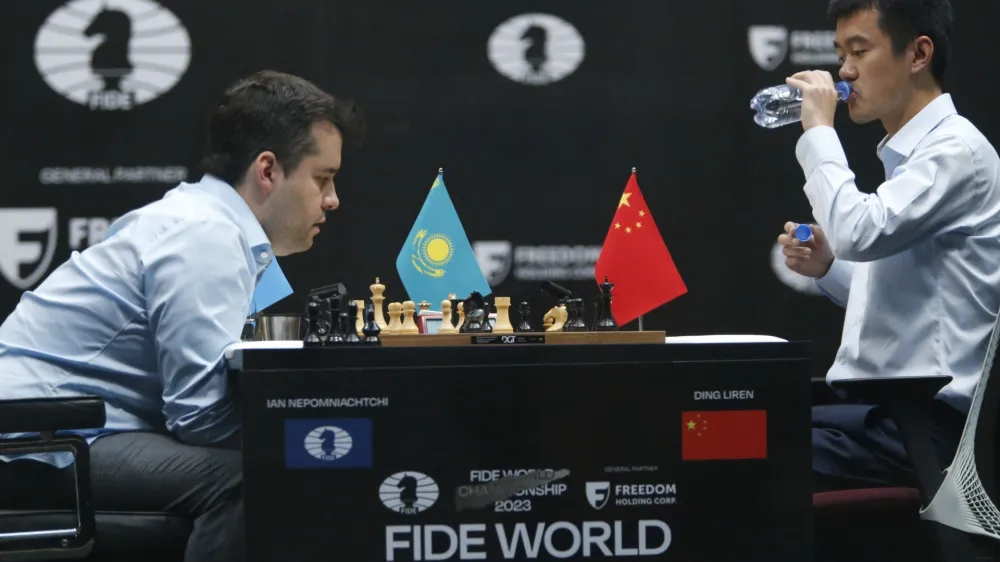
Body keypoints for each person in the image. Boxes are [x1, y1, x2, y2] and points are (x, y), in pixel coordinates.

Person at [0, 70, 365, 561]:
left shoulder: (206, 224)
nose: (332, 199)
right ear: (268, 170)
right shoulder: (203, 237)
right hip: (35, 441)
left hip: (66, 429)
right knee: (251, 477)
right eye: (323, 178)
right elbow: (198, 415)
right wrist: (318, 428)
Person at [777, 0, 1000, 492]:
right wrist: (830, 264)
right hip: (869, 417)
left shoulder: (955, 150)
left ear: (918, 53)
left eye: (859, 50)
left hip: (920, 431)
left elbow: (859, 230)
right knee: (725, 436)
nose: (845, 71)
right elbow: (909, 286)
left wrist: (817, 132)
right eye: (840, 53)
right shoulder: (912, 156)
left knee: (748, 458)